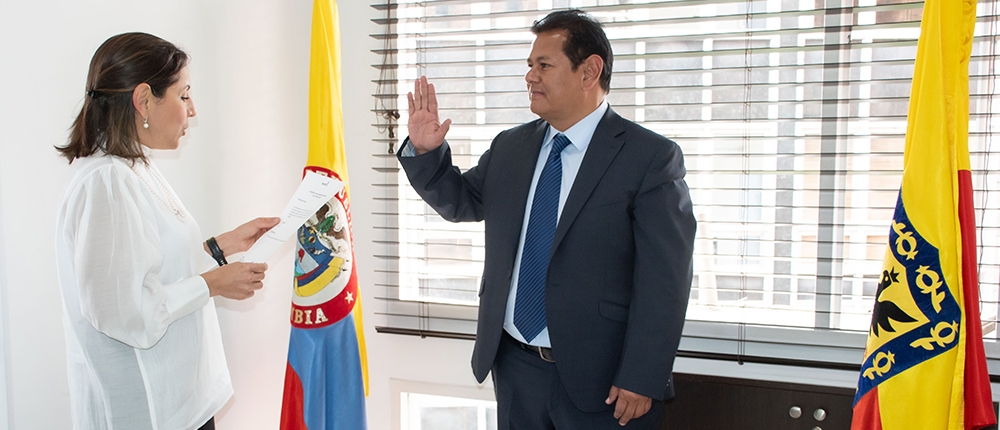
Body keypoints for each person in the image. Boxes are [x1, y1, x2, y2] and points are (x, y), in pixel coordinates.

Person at [398, 9, 696, 429]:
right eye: (529, 66)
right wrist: (426, 152)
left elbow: (666, 280)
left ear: (589, 71)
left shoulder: (650, 158)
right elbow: (462, 202)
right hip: (516, 368)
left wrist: (642, 376)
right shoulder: (511, 146)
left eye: (544, 65)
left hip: (606, 382)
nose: (530, 77)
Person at [54, 32, 279, 430]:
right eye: (183, 94)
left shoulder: (132, 166)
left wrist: (219, 246)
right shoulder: (106, 182)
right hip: (149, 413)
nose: (192, 110)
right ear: (144, 100)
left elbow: (150, 264)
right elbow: (125, 313)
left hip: (180, 404)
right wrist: (212, 284)